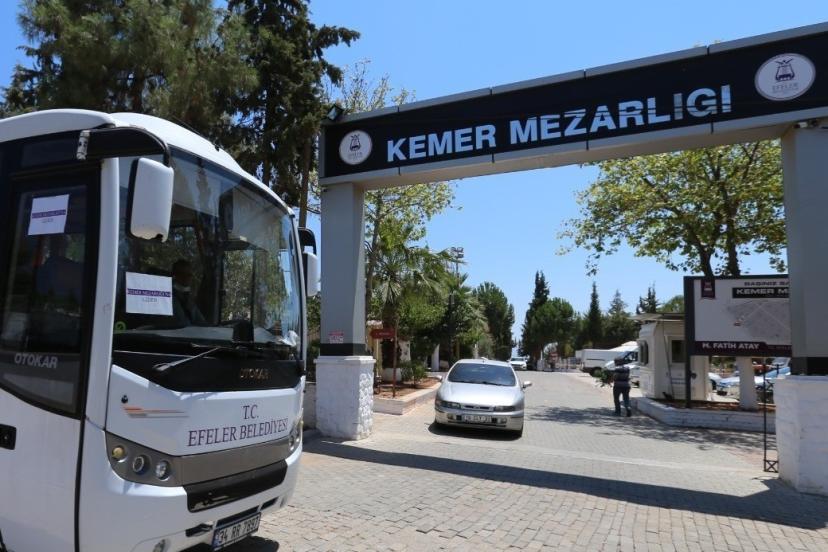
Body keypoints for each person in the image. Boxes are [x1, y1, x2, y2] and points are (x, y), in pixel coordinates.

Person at [171, 259, 206, 326]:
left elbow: (202, 322)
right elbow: (182, 324)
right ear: (174, 276)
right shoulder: (168, 299)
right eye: (182, 274)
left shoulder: (189, 300)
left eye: (189, 275)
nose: (186, 278)